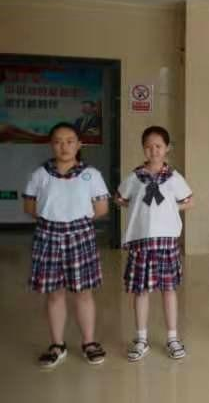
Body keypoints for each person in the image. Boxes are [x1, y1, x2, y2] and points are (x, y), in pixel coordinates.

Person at [23, 122, 110, 368]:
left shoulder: (91, 174)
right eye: (58, 141)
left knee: (84, 292)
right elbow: (29, 206)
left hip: (80, 236)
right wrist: (55, 219)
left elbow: (101, 208)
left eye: (70, 141)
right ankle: (57, 345)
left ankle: (89, 342)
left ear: (79, 144)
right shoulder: (40, 174)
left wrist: (74, 221)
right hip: (48, 236)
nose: (64, 146)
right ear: (51, 145)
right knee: (54, 293)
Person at [116, 126, 193, 361]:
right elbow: (120, 198)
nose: (154, 150)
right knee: (141, 291)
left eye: (158, 146)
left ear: (167, 148)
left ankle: (172, 337)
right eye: (148, 146)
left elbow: (189, 201)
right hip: (142, 242)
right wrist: (137, 210)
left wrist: (170, 208)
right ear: (143, 149)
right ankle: (141, 338)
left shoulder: (174, 178)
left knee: (169, 290)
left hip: (167, 241)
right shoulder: (134, 177)